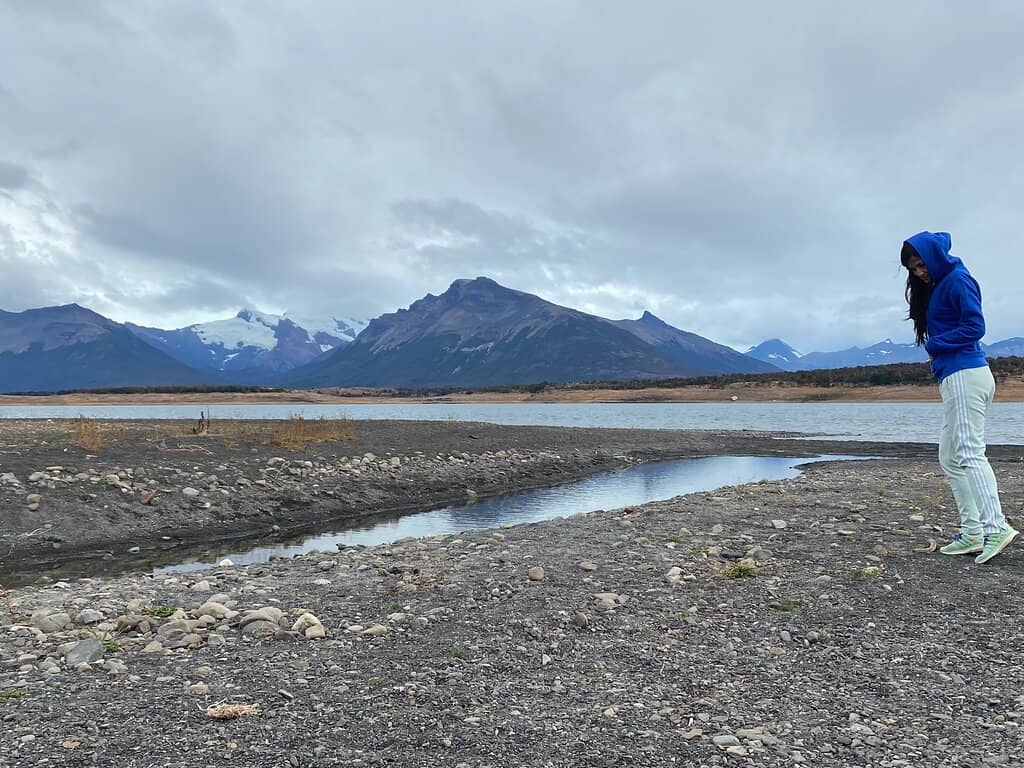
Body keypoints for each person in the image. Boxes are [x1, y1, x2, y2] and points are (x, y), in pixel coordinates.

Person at [901, 231, 1017, 564]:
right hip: (956, 376)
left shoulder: (958, 279)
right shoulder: (940, 284)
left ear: (935, 256)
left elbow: (975, 327)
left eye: (922, 264)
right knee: (950, 457)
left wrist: (935, 347)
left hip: (967, 374)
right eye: (914, 269)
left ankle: (997, 527)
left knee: (968, 451)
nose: (920, 272)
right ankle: (973, 533)